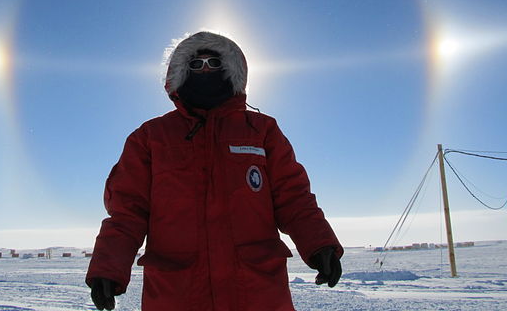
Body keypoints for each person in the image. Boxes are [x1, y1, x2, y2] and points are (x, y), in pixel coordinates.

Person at [86, 31, 343, 311]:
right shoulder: (150, 137)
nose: (206, 70)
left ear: (232, 71)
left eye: (215, 64)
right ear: (182, 73)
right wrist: (108, 268)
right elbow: (128, 211)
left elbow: (293, 198)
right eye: (196, 65)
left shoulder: (262, 131)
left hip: (257, 292)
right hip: (178, 293)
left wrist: (320, 245)